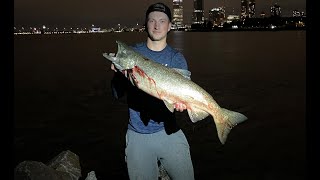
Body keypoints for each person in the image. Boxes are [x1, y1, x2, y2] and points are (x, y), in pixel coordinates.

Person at [110, 2, 195, 180]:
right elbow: (116, 94)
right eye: (152, 21)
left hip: (170, 131)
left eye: (162, 21)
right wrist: (119, 75)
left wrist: (183, 104)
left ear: (170, 26)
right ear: (145, 24)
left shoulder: (176, 58)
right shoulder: (132, 53)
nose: (157, 25)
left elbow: (180, 99)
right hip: (137, 135)